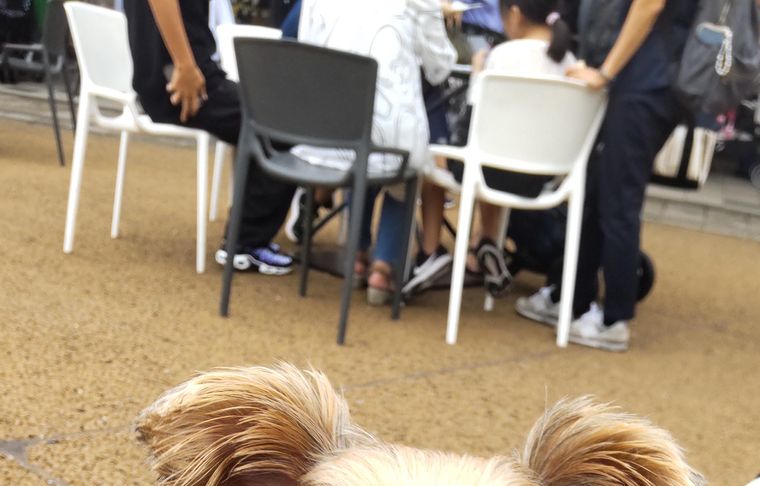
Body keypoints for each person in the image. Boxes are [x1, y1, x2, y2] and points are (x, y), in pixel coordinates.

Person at [516, 0, 694, 350]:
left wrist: (605, 73)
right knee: (596, 191)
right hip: (639, 79)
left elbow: (649, 5)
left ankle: (614, 318)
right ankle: (571, 296)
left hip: (647, 82)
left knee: (617, 199)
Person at [404, 0, 575, 300]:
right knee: (498, 154)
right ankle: (485, 241)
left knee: (436, 150)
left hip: (488, 170)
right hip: (542, 180)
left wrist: (477, 74)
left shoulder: (501, 56)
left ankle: (430, 252)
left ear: (515, 15)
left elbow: (473, 124)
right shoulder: (570, 62)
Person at [297, 0, 456, 305]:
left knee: (366, 138)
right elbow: (440, 68)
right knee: (404, 151)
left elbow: (307, 47)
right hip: (388, 138)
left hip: (326, 133)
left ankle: (356, 253)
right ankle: (384, 267)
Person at [123, 0, 295, 273]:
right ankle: (246, 244)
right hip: (183, 82)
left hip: (182, 76)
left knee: (272, 116)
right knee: (282, 123)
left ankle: (247, 237)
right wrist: (184, 65)